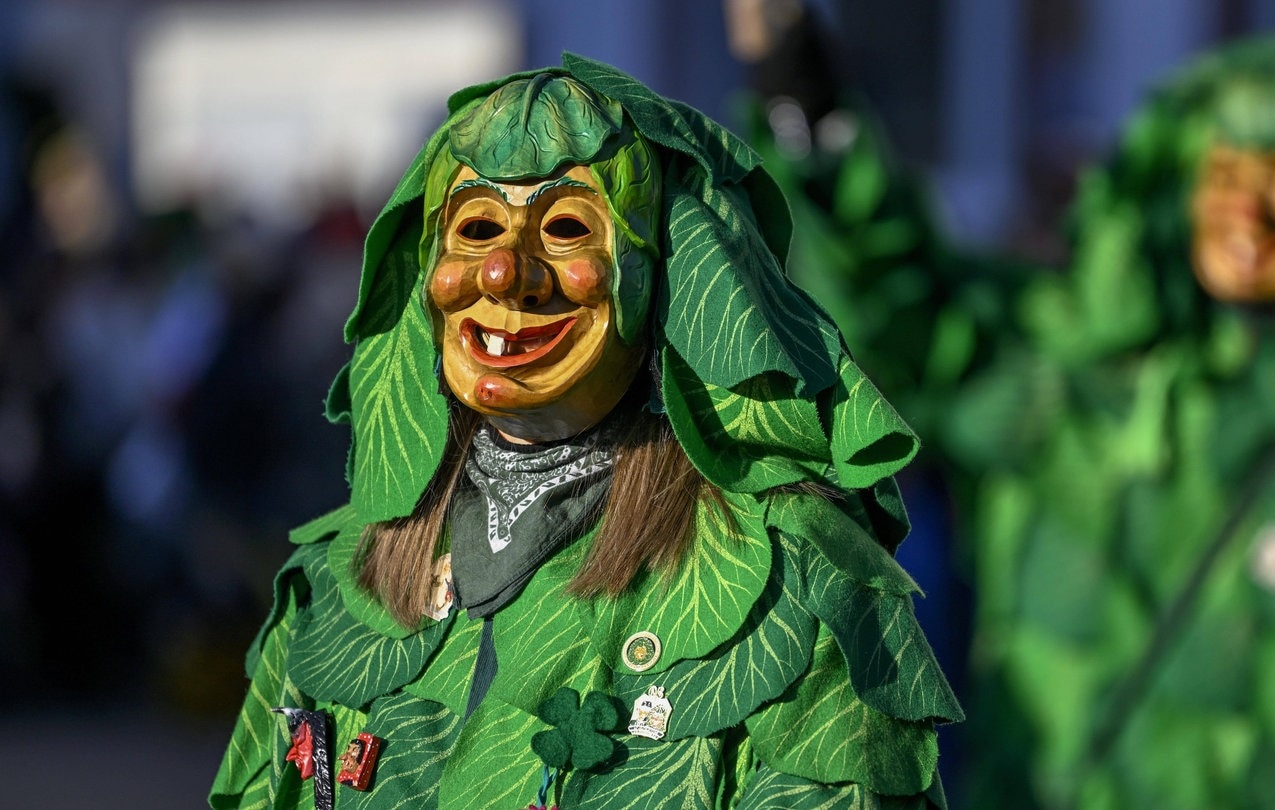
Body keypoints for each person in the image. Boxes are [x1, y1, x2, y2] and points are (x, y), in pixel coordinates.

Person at [209, 54, 959, 809]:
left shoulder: (797, 582)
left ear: (660, 273)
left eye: (565, 228)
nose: (504, 272)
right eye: (476, 228)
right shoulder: (332, 586)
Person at [963, 34, 1275, 809]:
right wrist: (805, 103)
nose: (1248, 212)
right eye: (1223, 176)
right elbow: (917, 321)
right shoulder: (1089, 372)